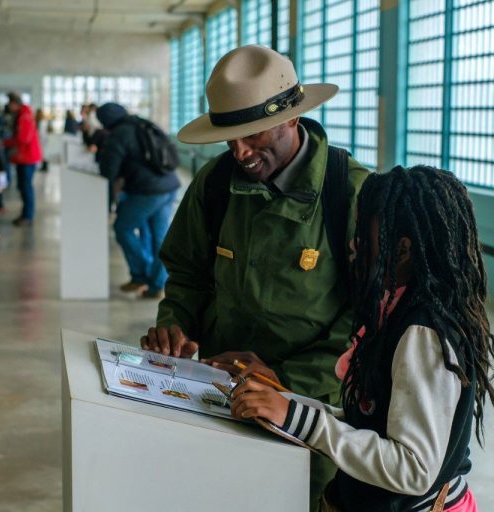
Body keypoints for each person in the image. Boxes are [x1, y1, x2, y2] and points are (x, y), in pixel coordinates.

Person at [139, 45, 370, 506]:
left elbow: (370, 321)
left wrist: (283, 379)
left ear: (292, 118)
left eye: (253, 134)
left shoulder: (352, 194)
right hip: (219, 399)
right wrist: (177, 324)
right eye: (230, 138)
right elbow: (187, 273)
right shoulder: (215, 183)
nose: (240, 152)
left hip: (313, 413)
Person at [230, 166, 494, 512]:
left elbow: (413, 469)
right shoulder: (399, 308)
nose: (352, 245)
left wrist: (299, 418)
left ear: (402, 250)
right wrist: (288, 405)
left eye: (362, 236)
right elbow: (373, 424)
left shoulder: (423, 333)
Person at [97, 103, 180, 298]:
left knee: (123, 228)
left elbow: (108, 170)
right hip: (169, 185)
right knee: (159, 237)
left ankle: (140, 275)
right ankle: (156, 284)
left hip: (147, 191)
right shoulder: (143, 123)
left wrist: (108, 203)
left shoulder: (118, 134)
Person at [3, 92, 42, 227]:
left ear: (15, 103)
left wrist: (7, 142)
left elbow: (23, 138)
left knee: (26, 188)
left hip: (27, 158)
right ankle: (25, 214)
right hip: (24, 158)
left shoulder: (24, 117)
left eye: (10, 103)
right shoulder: (22, 115)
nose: (9, 106)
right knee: (23, 187)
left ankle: (28, 216)